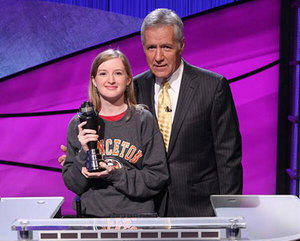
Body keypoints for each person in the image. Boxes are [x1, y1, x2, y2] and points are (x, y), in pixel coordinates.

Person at [59, 9, 243, 217]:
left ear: (181, 45)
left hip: (196, 207)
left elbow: (228, 157)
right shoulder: (131, 88)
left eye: (166, 47)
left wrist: (230, 214)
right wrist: (80, 155)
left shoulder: (212, 87)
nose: (158, 57)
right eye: (151, 48)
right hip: (143, 209)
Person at [62, 49, 169, 217]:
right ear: (94, 81)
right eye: (103, 74)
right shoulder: (79, 123)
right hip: (92, 219)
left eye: (118, 73)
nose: (110, 80)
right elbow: (73, 184)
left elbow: (156, 177)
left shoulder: (143, 120)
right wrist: (83, 153)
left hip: (137, 219)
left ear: (128, 80)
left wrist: (114, 174)